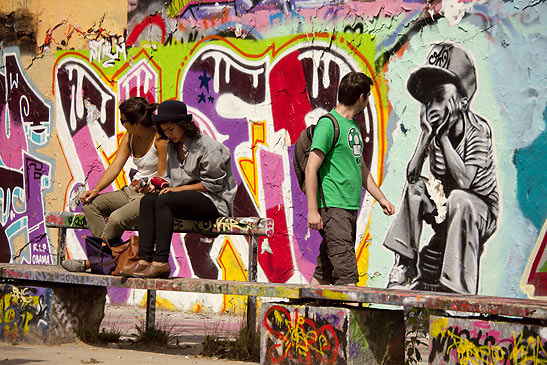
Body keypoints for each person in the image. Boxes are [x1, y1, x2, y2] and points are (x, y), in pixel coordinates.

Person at [383, 43, 499, 294]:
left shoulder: (477, 130)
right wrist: (425, 136)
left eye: (438, 97)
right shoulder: (433, 131)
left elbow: (465, 182)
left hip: (478, 213)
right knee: (417, 187)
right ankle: (405, 264)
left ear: (463, 101)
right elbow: (412, 176)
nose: (431, 107)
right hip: (447, 210)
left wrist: (444, 137)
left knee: (460, 197)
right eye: (426, 100)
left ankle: (457, 287)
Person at [120, 100, 237, 278]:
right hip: (184, 201)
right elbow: (170, 179)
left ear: (183, 125)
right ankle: (144, 261)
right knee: (148, 201)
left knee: (164, 200)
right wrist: (155, 185)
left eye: (171, 129)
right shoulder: (172, 147)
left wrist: (178, 190)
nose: (169, 134)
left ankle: (160, 262)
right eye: (165, 130)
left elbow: (213, 185)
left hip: (214, 202)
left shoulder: (207, 147)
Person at [306, 72, 395, 286]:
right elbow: (311, 168)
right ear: (361, 97)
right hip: (333, 208)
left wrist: (381, 198)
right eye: (368, 96)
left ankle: (300, 313)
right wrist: (312, 210)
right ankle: (357, 318)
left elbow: (360, 168)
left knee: (324, 273)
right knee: (348, 278)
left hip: (348, 208)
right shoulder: (328, 124)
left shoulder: (353, 126)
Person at [62, 97, 168, 272]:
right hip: (130, 191)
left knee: (116, 219)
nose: (121, 124)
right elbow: (115, 166)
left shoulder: (160, 140)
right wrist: (96, 189)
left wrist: (149, 185)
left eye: (123, 121)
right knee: (90, 205)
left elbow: (163, 176)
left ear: (137, 124)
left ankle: (95, 262)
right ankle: (110, 258)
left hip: (148, 197)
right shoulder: (130, 136)